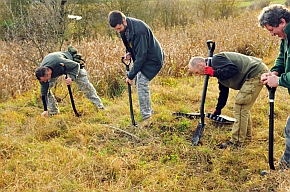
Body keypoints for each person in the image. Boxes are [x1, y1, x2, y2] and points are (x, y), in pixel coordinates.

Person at [188, 52, 268, 149]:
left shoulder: (215, 60)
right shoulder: (217, 67)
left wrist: (214, 72)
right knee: (243, 106)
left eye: (197, 72)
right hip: (254, 73)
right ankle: (246, 137)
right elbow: (224, 91)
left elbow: (233, 69)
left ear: (201, 65)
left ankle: (236, 142)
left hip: (256, 73)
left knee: (241, 105)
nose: (198, 75)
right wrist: (218, 109)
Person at [108, 10, 165, 126]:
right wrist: (128, 52)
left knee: (141, 83)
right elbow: (130, 44)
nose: (118, 31)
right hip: (144, 56)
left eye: (119, 28)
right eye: (116, 30)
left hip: (153, 59)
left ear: (124, 21)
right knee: (140, 82)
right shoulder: (124, 28)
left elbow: (141, 57)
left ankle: (147, 117)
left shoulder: (139, 31)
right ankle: (148, 111)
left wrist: (130, 76)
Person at [258, 4, 290, 170]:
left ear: (282, 22)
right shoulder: (285, 39)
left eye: (272, 29)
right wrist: (274, 73)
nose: (271, 34)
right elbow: (282, 59)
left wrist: (279, 81)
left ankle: (285, 167)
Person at [35, 47, 104, 117]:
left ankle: (99, 106)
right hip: (56, 68)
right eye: (43, 81)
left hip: (71, 66)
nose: (45, 82)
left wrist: (71, 78)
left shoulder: (59, 61)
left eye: (46, 80)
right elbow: (44, 93)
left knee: (86, 85)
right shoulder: (42, 75)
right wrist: (45, 109)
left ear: (49, 72)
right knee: (46, 90)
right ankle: (54, 112)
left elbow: (76, 66)